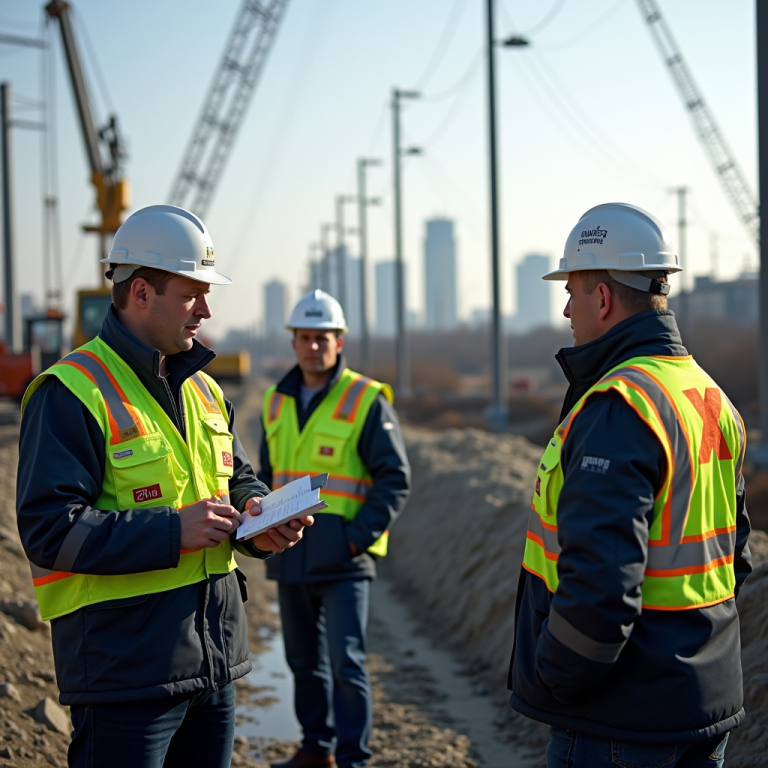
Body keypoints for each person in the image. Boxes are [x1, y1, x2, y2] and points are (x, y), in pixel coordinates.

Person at [16, 204, 314, 768]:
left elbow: (237, 480)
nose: (205, 310)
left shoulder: (204, 390)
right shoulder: (70, 392)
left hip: (214, 667)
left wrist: (258, 520)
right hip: (125, 678)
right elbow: (50, 530)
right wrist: (173, 531)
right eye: (191, 295)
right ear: (142, 292)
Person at [508, 202, 751, 768]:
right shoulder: (709, 395)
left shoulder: (621, 405)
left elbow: (601, 576)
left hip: (620, 717)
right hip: (701, 697)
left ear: (603, 296)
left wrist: (558, 674)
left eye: (572, 290)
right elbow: (732, 554)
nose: (567, 309)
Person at [258, 289, 411, 768]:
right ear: (294, 342)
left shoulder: (365, 400)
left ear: (339, 341)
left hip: (344, 559)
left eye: (322, 337)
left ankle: (353, 758)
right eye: (305, 337)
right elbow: (266, 477)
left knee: (346, 664)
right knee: (303, 663)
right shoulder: (274, 401)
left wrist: (353, 539)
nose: (313, 346)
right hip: (291, 555)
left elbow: (395, 479)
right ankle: (314, 747)